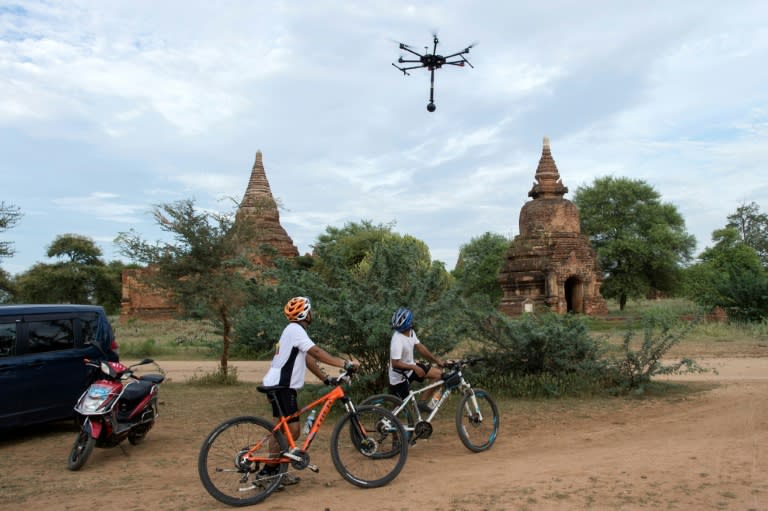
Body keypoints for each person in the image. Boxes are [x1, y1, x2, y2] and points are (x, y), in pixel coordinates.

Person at [259, 296, 359, 485]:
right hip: (283, 387)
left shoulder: (293, 330)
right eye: (311, 311)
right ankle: (269, 472)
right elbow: (317, 353)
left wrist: (325, 378)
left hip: (278, 386)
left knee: (283, 430)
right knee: (292, 430)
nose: (312, 314)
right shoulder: (296, 330)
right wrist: (345, 364)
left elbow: (307, 359)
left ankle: (276, 473)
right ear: (306, 314)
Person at [388, 306, 445, 411]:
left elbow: (421, 348)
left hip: (411, 368)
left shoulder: (410, 332)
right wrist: (414, 367)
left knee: (438, 375)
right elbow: (395, 363)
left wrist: (437, 361)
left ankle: (421, 404)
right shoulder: (397, 340)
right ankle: (386, 421)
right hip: (399, 376)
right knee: (398, 407)